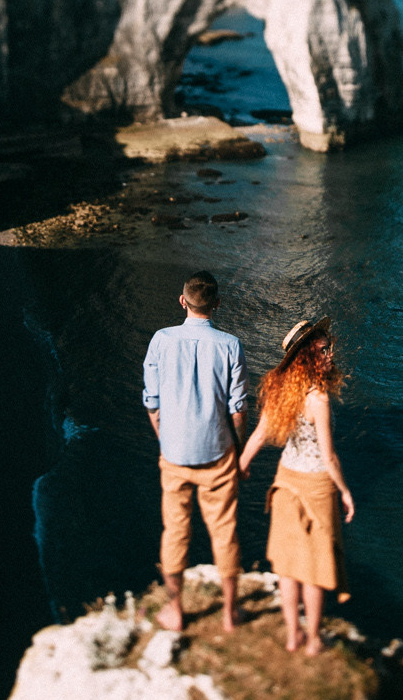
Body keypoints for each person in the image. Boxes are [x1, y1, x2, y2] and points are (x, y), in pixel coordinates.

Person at [238, 318, 354, 656]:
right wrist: (345, 492)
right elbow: (329, 457)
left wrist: (241, 467)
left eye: (328, 347)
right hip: (317, 486)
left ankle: (292, 636)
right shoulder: (318, 398)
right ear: (306, 355)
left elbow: (259, 435)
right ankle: (314, 640)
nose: (330, 354)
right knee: (314, 570)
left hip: (285, 481)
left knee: (288, 568)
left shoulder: (279, 387)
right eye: (322, 350)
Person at [143, 271, 249, 632]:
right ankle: (230, 613)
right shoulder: (231, 344)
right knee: (224, 531)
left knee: (174, 531)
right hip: (217, 454)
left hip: (173, 454)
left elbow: (151, 401)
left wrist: (164, 437)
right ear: (217, 304)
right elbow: (238, 409)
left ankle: (175, 611)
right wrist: (240, 449)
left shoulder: (160, 340)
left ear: (182, 300)